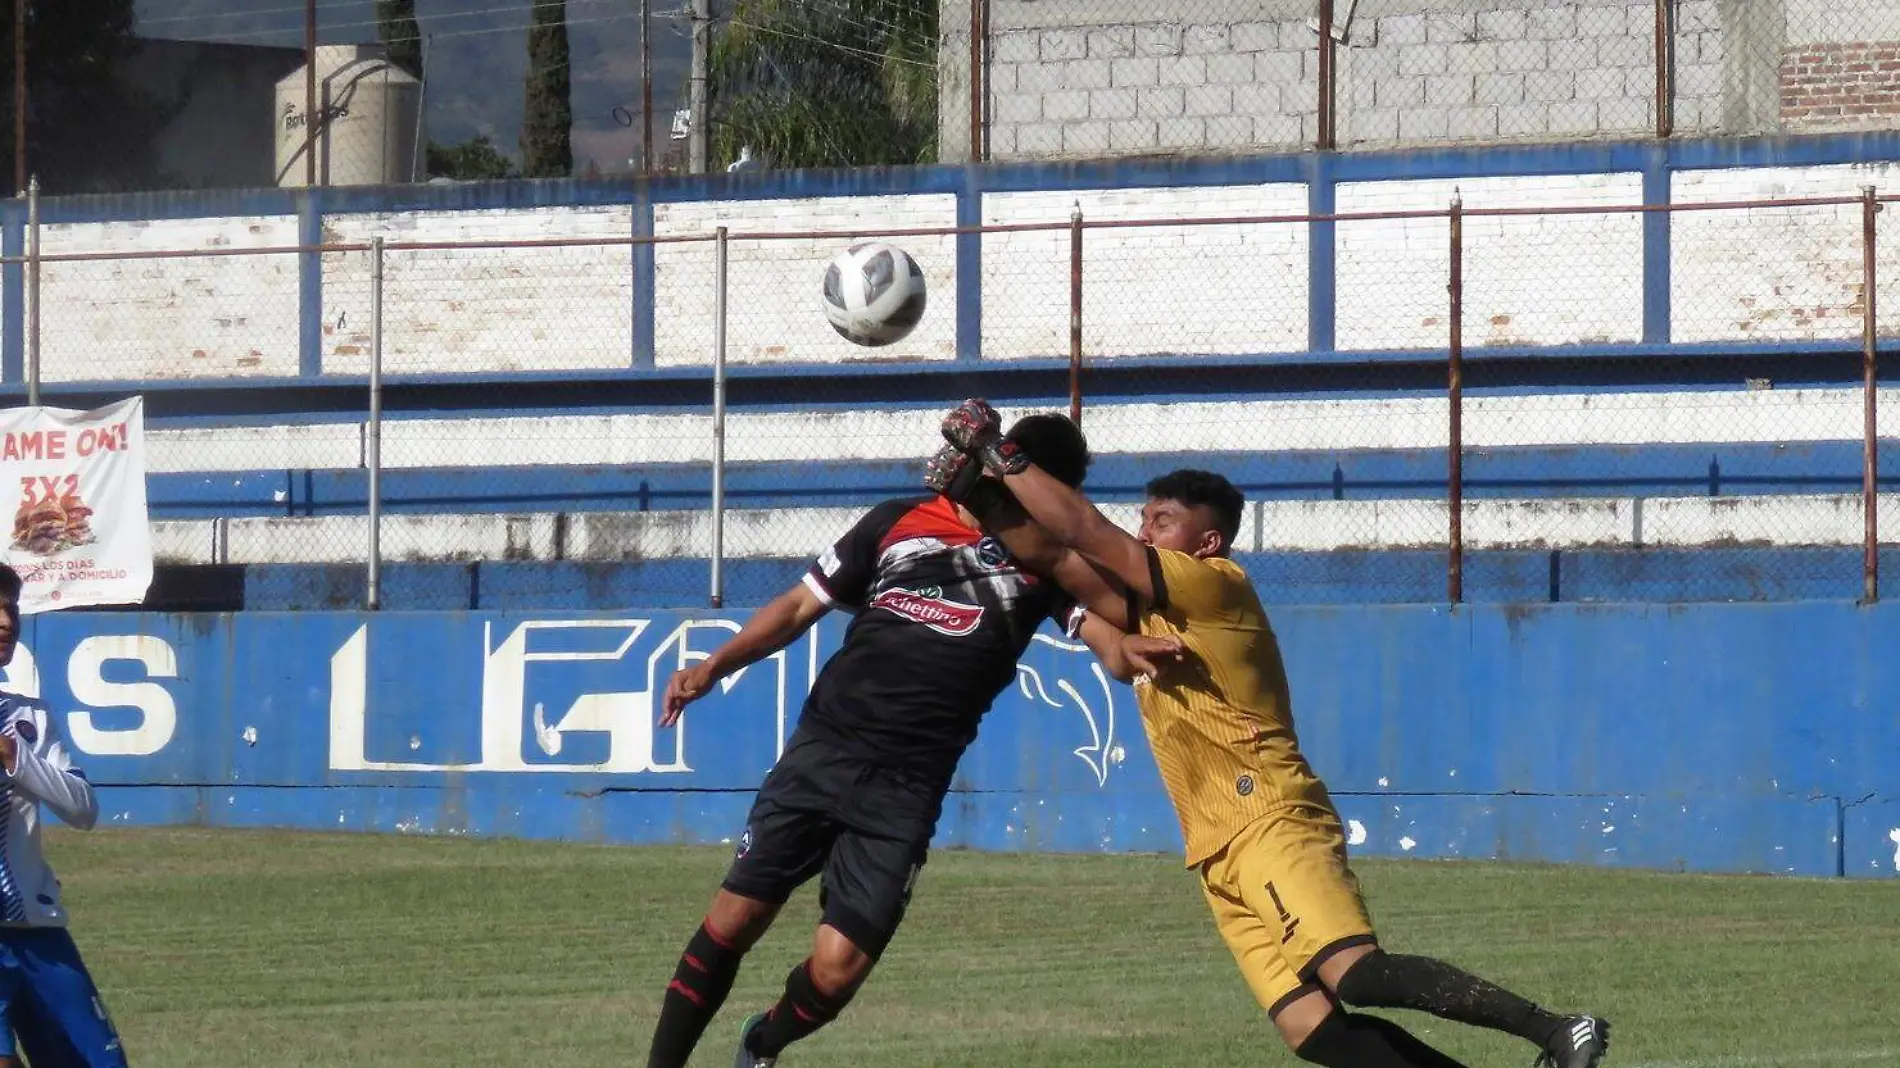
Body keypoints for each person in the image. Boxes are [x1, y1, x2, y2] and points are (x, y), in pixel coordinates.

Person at [929, 399, 1611, 1068]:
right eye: (1143, 518)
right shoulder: (1151, 607)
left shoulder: (1214, 586)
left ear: (1207, 542)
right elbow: (1059, 564)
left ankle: (1557, 1030)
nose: (1143, 532)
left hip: (1269, 818)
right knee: (1315, 1033)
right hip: (1217, 845)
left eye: (1160, 522)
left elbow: (1079, 532)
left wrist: (997, 452)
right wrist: (978, 499)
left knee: (1357, 975)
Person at [644, 413, 1123, 1068]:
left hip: (906, 786)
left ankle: (762, 1043)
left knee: (838, 971)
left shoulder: (1045, 568)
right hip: (825, 752)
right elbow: (796, 606)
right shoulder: (899, 520)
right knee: (734, 921)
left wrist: (1132, 651)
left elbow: (1108, 630)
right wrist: (712, 665)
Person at [0, 564, 128, 1068]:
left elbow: (82, 809)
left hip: (36, 930)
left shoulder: (31, 718)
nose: (6, 620)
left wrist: (16, 759)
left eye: (11, 606)